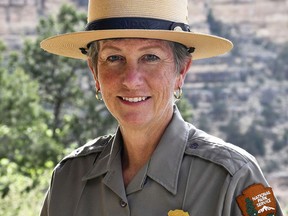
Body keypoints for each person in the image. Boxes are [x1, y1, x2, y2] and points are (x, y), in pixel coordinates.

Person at [39, 0, 284, 215]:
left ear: (181, 71)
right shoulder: (68, 180)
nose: (131, 79)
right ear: (95, 72)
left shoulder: (232, 178)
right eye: (114, 58)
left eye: (150, 57)